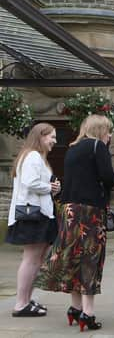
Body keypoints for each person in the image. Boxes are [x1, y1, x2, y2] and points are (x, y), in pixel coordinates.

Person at [35, 115, 114, 331]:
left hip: (69, 210)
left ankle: (74, 307)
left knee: (73, 257)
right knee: (91, 259)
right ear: (100, 130)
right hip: (90, 212)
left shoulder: (72, 149)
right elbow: (108, 178)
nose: (110, 136)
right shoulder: (98, 147)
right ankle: (88, 313)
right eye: (108, 131)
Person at [6, 123, 61, 317]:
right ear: (40, 136)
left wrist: (51, 187)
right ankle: (21, 304)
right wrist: (50, 187)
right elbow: (30, 183)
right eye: (51, 137)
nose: (55, 141)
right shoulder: (33, 156)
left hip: (40, 215)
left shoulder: (35, 156)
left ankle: (26, 300)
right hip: (32, 216)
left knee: (36, 260)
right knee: (31, 260)